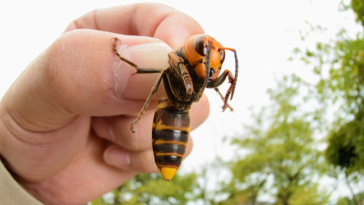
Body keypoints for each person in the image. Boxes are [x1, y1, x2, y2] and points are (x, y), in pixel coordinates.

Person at [0, 3, 209, 204]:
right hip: (171, 122)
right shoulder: (175, 59)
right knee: (158, 73)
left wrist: (30, 192)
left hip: (176, 120)